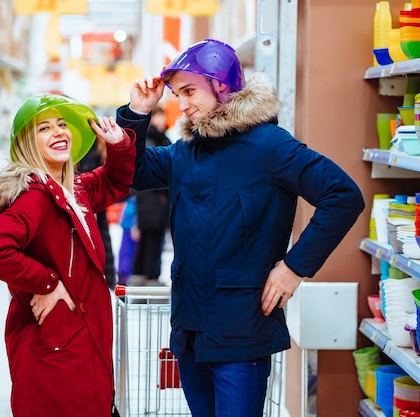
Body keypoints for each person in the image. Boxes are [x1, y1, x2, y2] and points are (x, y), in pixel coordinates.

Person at [115, 39, 365, 417]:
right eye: (176, 94)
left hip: (241, 333)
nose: (182, 105)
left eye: (189, 91)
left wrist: (294, 268)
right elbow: (131, 174)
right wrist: (136, 113)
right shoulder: (186, 149)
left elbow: (343, 195)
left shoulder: (269, 146)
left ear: (221, 85)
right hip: (189, 332)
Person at [0, 94, 135, 417]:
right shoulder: (35, 197)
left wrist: (118, 145)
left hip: (78, 336)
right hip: (55, 343)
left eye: (63, 125)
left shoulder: (73, 190)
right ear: (27, 144)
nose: (58, 132)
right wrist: (47, 283)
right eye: (44, 128)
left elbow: (115, 182)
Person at [128, 105, 172, 286]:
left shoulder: (154, 139)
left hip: (148, 204)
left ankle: (141, 277)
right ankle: (151, 278)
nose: (162, 121)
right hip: (154, 203)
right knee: (153, 242)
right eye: (159, 117)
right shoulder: (156, 140)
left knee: (147, 243)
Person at [78, 136, 118, 290]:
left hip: (93, 208)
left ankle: (104, 284)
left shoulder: (95, 148)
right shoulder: (97, 148)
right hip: (90, 207)